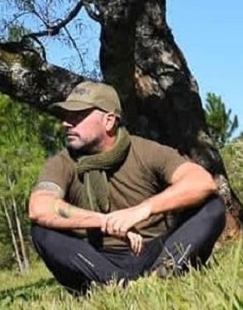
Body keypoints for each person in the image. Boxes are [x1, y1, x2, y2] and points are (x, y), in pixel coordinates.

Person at [29, 81, 226, 294]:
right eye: (66, 117)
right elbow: (40, 207)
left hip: (156, 251)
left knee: (212, 205)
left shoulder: (145, 150)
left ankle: (163, 274)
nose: (66, 124)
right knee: (42, 231)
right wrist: (103, 221)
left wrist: (142, 210)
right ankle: (115, 286)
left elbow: (201, 181)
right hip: (99, 260)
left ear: (109, 121)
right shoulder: (62, 163)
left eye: (77, 116)